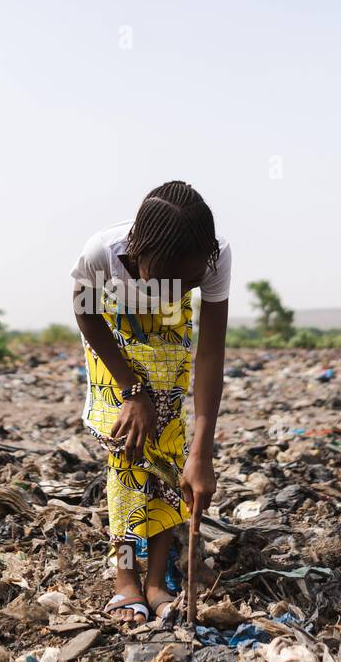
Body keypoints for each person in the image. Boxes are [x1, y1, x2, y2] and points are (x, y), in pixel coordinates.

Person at [70, 181, 231, 623]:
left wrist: (202, 451)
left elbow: (211, 353)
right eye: (164, 280)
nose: (173, 290)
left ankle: (157, 580)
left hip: (167, 349)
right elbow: (84, 314)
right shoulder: (100, 254)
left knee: (169, 456)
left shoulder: (213, 257)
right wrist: (131, 390)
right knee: (127, 453)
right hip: (114, 348)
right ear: (138, 254)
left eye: (188, 283)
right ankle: (125, 579)